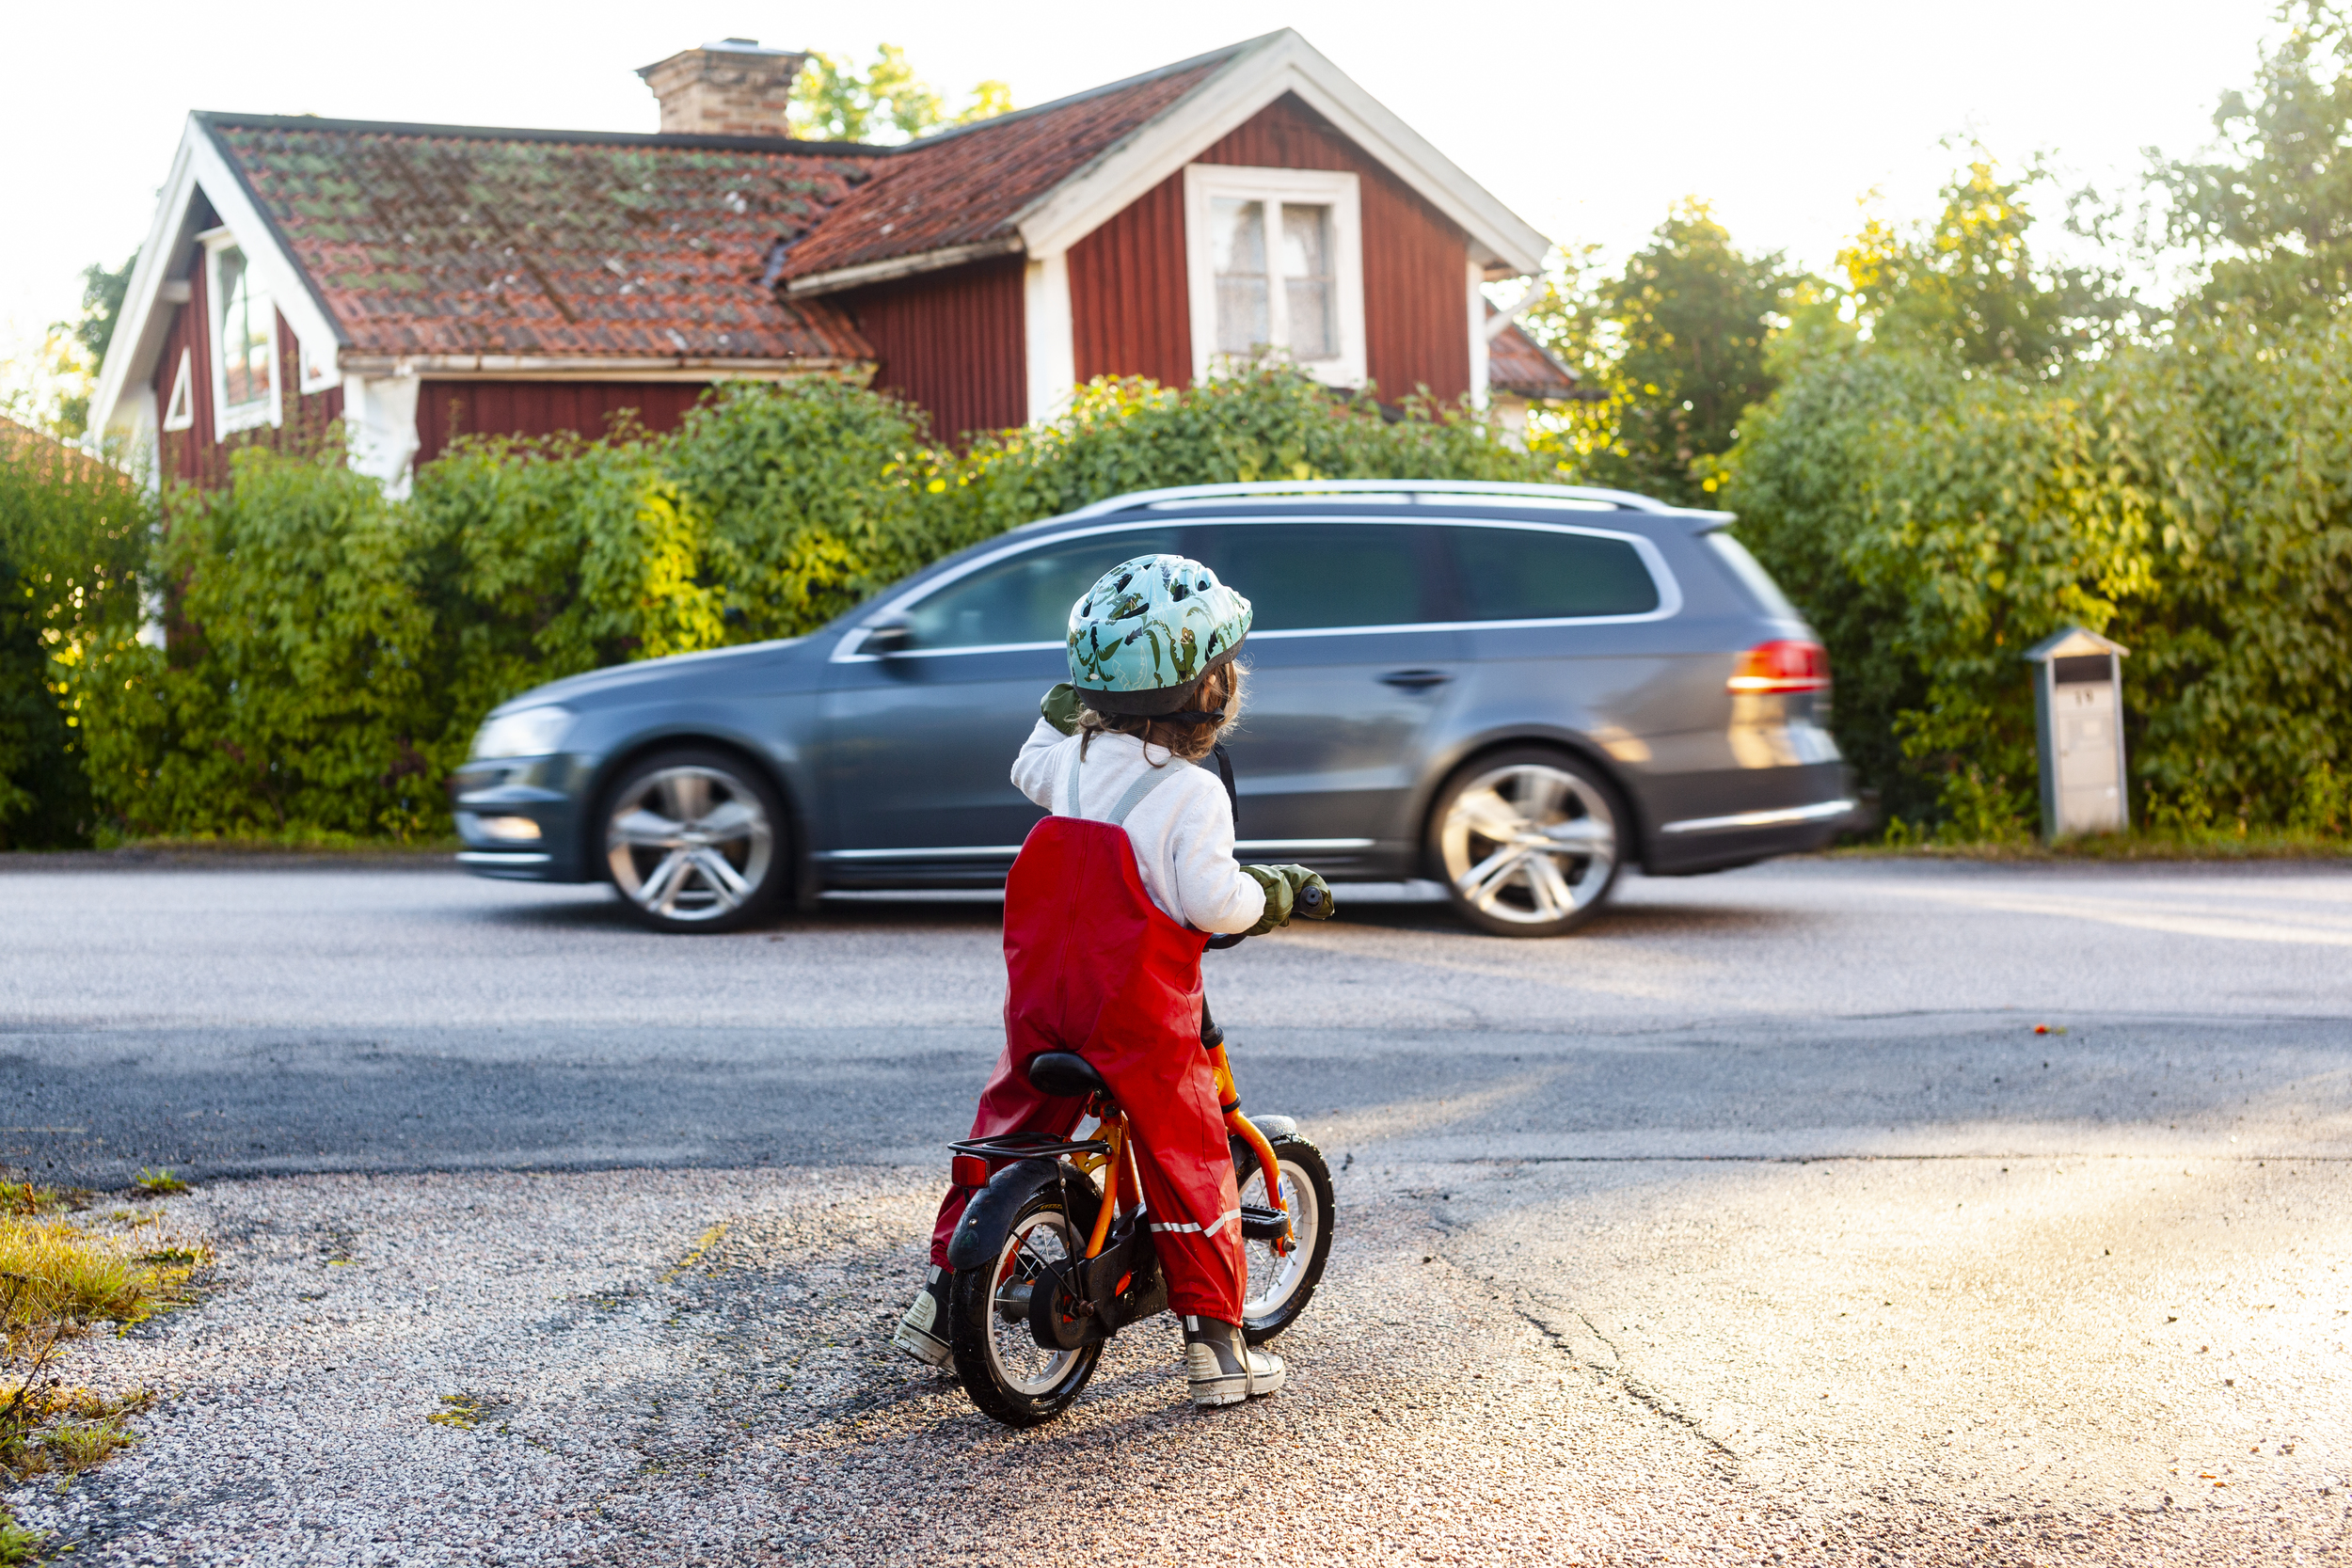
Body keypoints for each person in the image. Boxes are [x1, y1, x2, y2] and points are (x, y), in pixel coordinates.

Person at [891, 553, 1335, 1407]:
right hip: (1135, 1016)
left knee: (1015, 1128)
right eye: (1226, 668)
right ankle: (1219, 1348)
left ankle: (943, 1309)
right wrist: (1275, 893)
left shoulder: (1072, 760)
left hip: (1047, 1003)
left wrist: (1074, 703)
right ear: (1206, 692)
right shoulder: (1193, 795)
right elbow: (1212, 900)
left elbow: (1032, 759)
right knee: (1191, 1151)